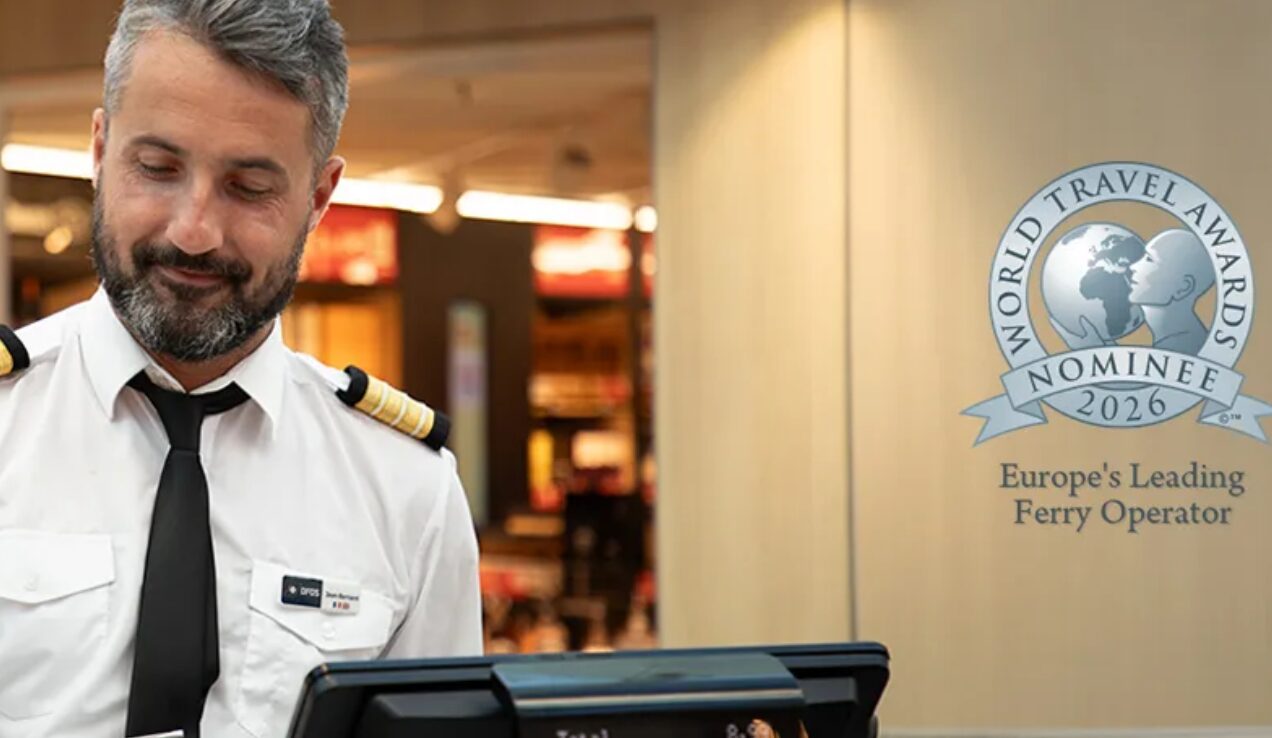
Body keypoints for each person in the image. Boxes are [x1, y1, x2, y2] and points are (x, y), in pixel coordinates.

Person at [0, 2, 482, 737]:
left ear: (319, 198)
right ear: (99, 150)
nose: (194, 230)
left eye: (249, 187)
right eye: (157, 169)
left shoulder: (407, 491)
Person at [1128, 228, 1215, 355]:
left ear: (1183, 287)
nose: (1133, 267)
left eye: (1149, 260)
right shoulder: (1182, 341)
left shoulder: (1181, 349)